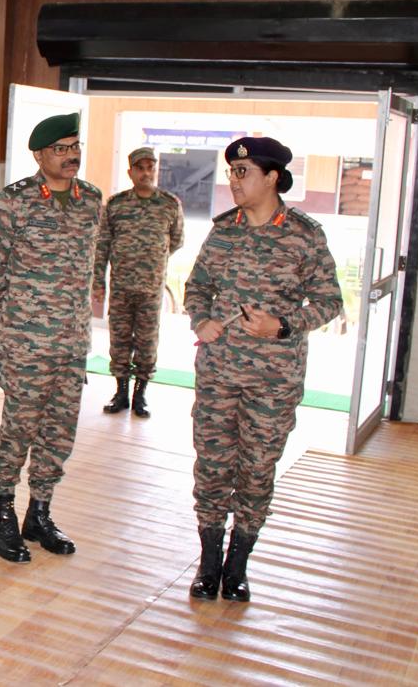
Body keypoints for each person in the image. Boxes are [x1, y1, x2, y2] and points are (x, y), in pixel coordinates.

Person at [184, 136, 343, 603]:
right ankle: (209, 563)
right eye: (231, 172)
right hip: (217, 375)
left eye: (244, 172)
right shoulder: (222, 231)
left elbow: (331, 301)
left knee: (256, 471)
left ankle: (238, 567)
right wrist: (202, 319)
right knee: (211, 469)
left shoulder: (304, 234)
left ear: (272, 177)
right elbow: (196, 287)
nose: (234, 181)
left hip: (274, 382)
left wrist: (284, 326)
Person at [0, 113, 104, 563]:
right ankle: (2, 518)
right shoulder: (14, 201)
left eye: (75, 146)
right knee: (19, 428)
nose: (72, 155)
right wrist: (20, 314)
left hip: (72, 341)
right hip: (28, 341)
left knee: (59, 432)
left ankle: (39, 512)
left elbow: (91, 262)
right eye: (61, 148)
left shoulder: (91, 199)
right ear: (38, 156)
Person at [95, 146, 184, 418]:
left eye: (151, 168)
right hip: (121, 287)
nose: (146, 173)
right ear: (130, 172)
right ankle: (121, 392)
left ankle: (140, 395)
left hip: (151, 289)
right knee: (119, 340)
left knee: (147, 342)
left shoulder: (169, 204)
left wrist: (151, 260)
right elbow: (103, 245)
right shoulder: (117, 204)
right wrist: (98, 281)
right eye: (140, 168)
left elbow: (177, 240)